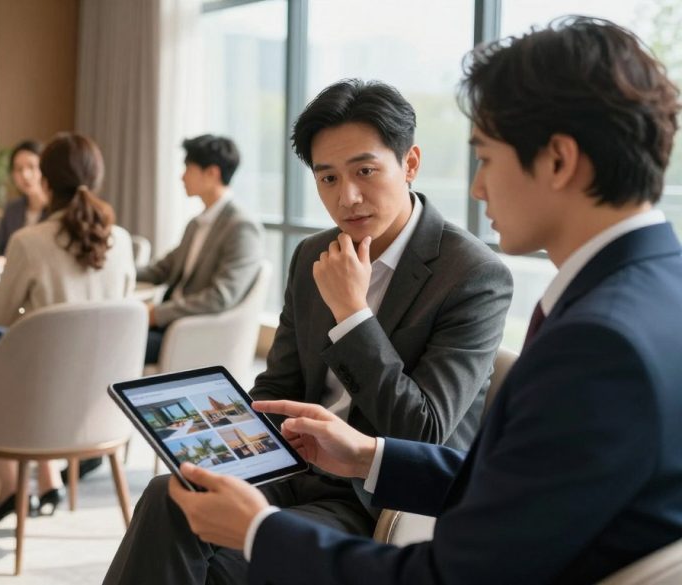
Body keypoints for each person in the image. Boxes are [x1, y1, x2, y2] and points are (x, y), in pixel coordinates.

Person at [162, 17, 682, 585]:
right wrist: (367, 455)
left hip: (375, 519)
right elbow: (520, 487)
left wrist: (259, 531)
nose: (478, 188)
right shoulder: (653, 296)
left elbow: (450, 574)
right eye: (327, 178)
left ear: (557, 159)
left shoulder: (597, 342)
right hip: (338, 469)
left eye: (485, 157)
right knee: (177, 510)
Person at [103, 79, 513, 584]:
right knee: (170, 497)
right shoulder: (312, 255)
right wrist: (221, 436)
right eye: (328, 179)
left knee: (212, 565)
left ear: (409, 164)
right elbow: (278, 386)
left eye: (365, 171)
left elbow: (422, 429)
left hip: (368, 498)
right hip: (285, 466)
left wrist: (352, 314)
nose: (349, 197)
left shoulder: (471, 274)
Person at [0, 132, 136, 524]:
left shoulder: (28, 242)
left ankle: (12, 490)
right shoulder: (120, 240)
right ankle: (47, 484)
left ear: (46, 183)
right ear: (95, 179)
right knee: (36, 369)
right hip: (106, 400)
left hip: (43, 399)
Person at [138, 134, 263, 365]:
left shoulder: (241, 227)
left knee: (111, 342)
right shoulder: (197, 224)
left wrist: (156, 314)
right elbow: (162, 269)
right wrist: (118, 270)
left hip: (189, 334)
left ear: (212, 173)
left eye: (188, 168)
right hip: (170, 325)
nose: (182, 176)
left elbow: (219, 297)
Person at [0, 139, 48, 263]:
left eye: (31, 167)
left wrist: (5, 260)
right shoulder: (13, 209)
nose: (25, 175)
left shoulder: (57, 210)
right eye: (18, 169)